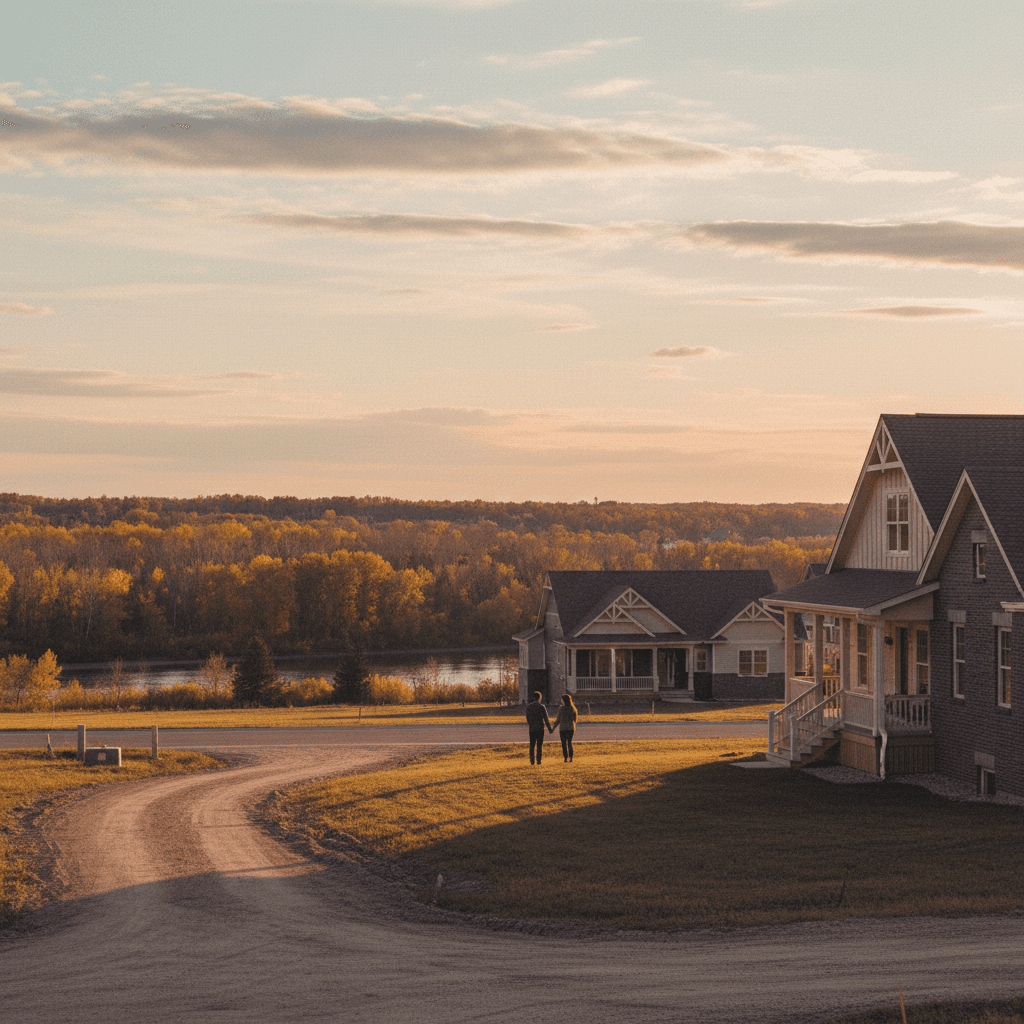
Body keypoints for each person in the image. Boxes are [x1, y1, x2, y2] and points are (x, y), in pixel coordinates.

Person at [549, 693, 579, 763]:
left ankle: (565, 758)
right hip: (570, 728)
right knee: (569, 743)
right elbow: (575, 719)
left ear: (563, 700)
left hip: (563, 728)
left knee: (564, 744)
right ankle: (571, 758)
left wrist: (553, 728)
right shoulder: (573, 708)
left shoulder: (561, 708)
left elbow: (558, 720)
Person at [525, 690, 552, 765]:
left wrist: (530, 724)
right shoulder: (542, 707)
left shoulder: (529, 707)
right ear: (540, 698)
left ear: (533, 697)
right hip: (540, 728)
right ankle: (538, 761)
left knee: (532, 746)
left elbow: (527, 717)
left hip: (532, 728)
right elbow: (546, 719)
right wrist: (550, 729)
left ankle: (532, 761)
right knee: (539, 746)